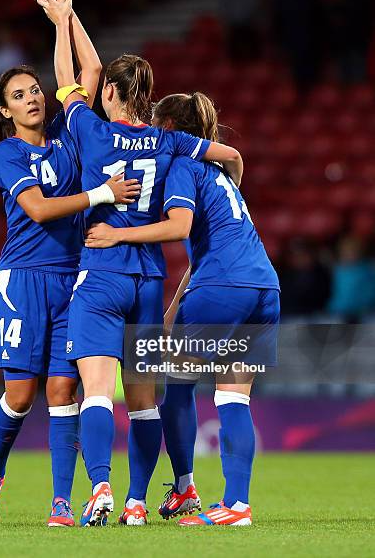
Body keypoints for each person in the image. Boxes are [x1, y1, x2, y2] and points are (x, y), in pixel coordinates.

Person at [41, 0, 243, 526]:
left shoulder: (90, 128)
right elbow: (225, 156)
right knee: (146, 400)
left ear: (109, 91)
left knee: (98, 393)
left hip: (103, 272)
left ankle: (100, 488)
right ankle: (136, 501)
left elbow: (69, 76)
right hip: (150, 279)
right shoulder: (167, 141)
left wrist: (63, 23)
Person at [0, 0, 141, 528]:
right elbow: (41, 210)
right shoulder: (6, 153)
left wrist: (66, 20)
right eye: (19, 95)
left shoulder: (70, 136)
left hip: (73, 278)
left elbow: (88, 75)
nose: (33, 97)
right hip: (21, 278)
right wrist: (100, 195)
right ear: (6, 110)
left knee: (63, 388)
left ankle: (62, 500)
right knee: (19, 395)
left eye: (35, 90)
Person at [85, 91, 280, 526]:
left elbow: (180, 227)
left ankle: (184, 486)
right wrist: (174, 308)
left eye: (157, 124)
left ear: (168, 129)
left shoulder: (181, 167)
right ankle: (238, 506)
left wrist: (116, 236)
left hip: (222, 286)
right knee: (232, 397)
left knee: (176, 385)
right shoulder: (221, 174)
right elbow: (202, 251)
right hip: (263, 284)